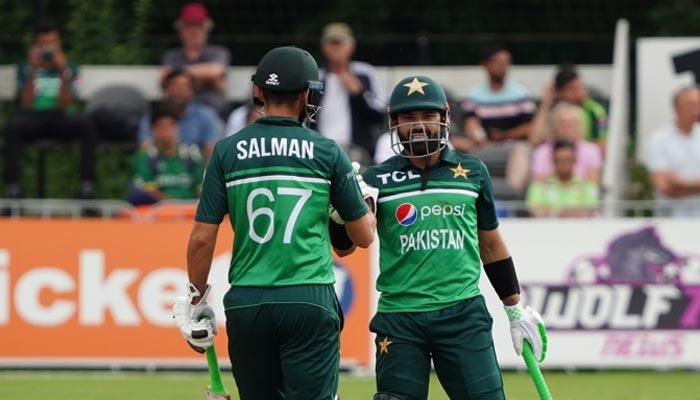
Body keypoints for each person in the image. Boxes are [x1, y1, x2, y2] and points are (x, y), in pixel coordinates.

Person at [173, 46, 377, 400]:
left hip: (247, 301)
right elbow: (362, 236)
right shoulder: (327, 151)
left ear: (260, 93)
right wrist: (361, 202)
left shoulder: (226, 150)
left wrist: (195, 299)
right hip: (308, 297)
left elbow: (202, 239)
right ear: (305, 95)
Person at [339, 75, 547, 400]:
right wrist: (341, 210)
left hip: (462, 314)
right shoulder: (375, 178)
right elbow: (348, 245)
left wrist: (514, 308)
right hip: (400, 318)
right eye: (408, 118)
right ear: (394, 122)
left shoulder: (473, 171)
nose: (418, 125)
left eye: (427, 116)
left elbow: (490, 245)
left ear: (445, 118)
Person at [3, 20, 97, 199]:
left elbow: (66, 103)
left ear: (59, 44)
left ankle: (86, 188)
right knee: (12, 127)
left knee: (87, 126)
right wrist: (32, 71)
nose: (48, 49)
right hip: (32, 118)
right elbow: (26, 104)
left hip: (59, 118)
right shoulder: (25, 68)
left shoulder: (70, 68)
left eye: (51, 44)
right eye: (43, 44)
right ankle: (13, 190)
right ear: (35, 46)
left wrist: (63, 72)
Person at [315, 22, 386, 158]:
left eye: (340, 42)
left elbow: (380, 113)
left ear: (351, 46)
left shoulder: (366, 74)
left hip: (357, 151)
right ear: (323, 47)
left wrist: (359, 94)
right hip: (320, 149)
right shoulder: (317, 78)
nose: (336, 48)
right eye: (331, 43)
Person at [161, 2, 230, 118]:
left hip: (213, 114)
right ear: (180, 30)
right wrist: (206, 78)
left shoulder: (218, 52)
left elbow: (216, 71)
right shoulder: (172, 55)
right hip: (178, 116)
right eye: (189, 26)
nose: (194, 31)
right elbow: (163, 79)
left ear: (206, 29)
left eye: (198, 26)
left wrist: (178, 76)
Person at [128, 103, 204, 205]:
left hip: (191, 213)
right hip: (158, 215)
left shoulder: (192, 155)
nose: (166, 132)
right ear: (153, 130)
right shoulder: (144, 157)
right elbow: (150, 190)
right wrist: (175, 207)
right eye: (161, 127)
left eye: (171, 125)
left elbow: (201, 189)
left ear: (177, 128)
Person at [139, 68, 222, 162]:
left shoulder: (206, 115)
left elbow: (212, 152)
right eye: (174, 85)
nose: (180, 91)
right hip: (159, 170)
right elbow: (145, 150)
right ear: (165, 89)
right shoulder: (152, 116)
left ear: (193, 90)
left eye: (185, 86)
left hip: (197, 170)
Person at [645, 85, 700, 217]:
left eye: (697, 104)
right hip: (672, 220)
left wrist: (683, 184)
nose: (695, 109)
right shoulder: (659, 139)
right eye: (689, 105)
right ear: (676, 108)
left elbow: (673, 185)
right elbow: (664, 186)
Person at [530, 64, 608, 152]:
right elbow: (534, 140)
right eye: (572, 89)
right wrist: (546, 104)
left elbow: (602, 146)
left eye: (580, 87)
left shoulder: (595, 111)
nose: (579, 93)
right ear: (559, 92)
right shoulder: (553, 110)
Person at [530, 102, 603, 183]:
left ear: (580, 126)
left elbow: (593, 183)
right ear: (554, 126)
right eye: (563, 123)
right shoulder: (541, 151)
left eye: (572, 123)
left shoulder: (591, 151)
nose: (567, 128)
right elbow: (537, 182)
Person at [526, 139, 600, 217]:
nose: (563, 164)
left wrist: (552, 212)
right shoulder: (539, 185)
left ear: (574, 160)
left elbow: (588, 211)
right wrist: (568, 213)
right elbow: (534, 211)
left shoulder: (586, 185)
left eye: (567, 160)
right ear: (553, 160)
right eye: (559, 160)